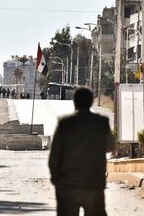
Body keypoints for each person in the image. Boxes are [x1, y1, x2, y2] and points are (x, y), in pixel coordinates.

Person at [49, 87, 114, 216]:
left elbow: (55, 154)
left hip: (68, 185)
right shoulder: (102, 122)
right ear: (91, 102)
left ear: (75, 102)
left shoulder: (65, 123)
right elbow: (110, 147)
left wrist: (56, 178)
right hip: (94, 183)